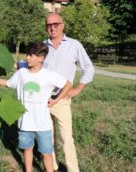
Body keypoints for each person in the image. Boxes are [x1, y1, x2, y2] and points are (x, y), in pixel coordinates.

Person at [0, 42, 72, 172]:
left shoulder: (48, 75)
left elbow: (68, 84)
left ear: (41, 58)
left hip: (43, 123)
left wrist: (55, 100)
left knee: (46, 153)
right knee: (27, 149)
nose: (28, 58)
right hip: (25, 122)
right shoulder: (22, 73)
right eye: (27, 55)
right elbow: (8, 84)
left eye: (31, 55)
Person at [44, 13, 95, 172]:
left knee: (67, 139)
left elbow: (88, 67)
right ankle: (51, 167)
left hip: (62, 99)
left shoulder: (74, 45)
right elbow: (33, 64)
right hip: (43, 99)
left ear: (62, 25)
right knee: (47, 138)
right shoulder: (42, 46)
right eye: (49, 25)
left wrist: (78, 88)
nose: (52, 27)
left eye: (56, 24)